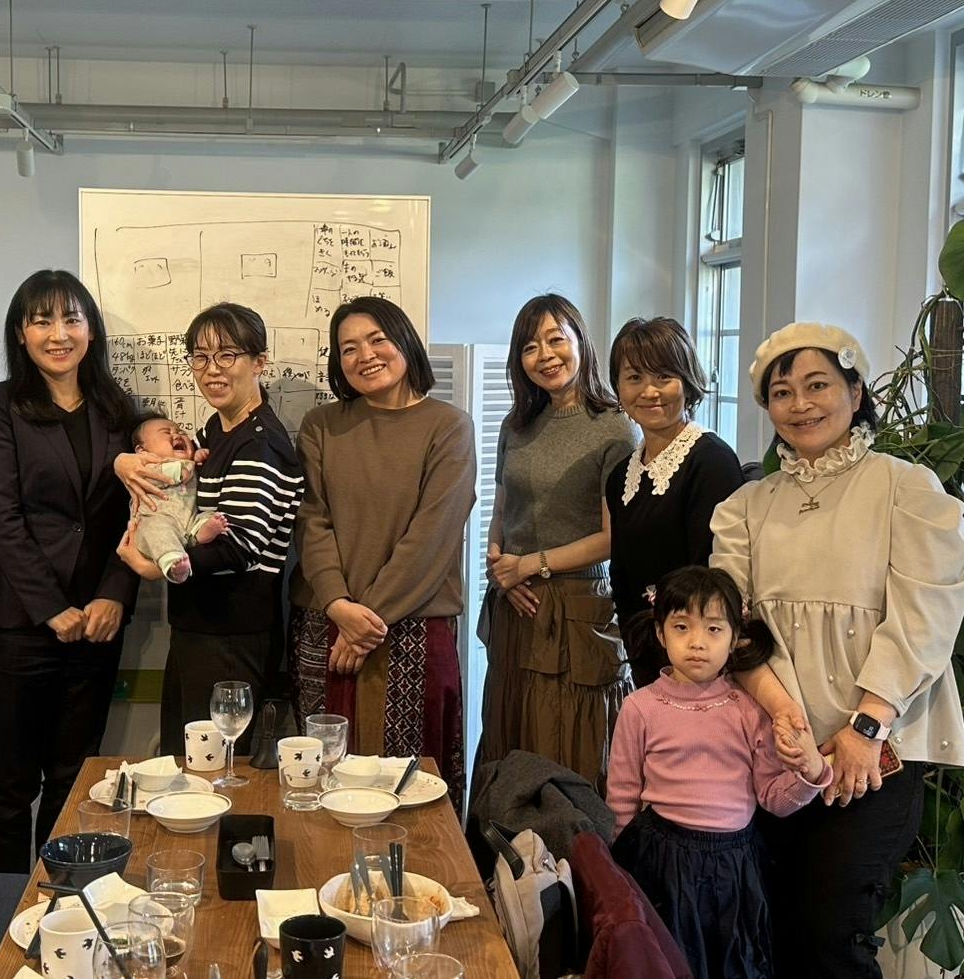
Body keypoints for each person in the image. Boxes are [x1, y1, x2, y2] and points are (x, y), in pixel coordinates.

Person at [710, 322, 964, 979]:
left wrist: (863, 728)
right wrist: (787, 721)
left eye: (817, 385)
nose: (800, 404)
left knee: (832, 936)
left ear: (855, 393)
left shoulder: (904, 488)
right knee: (771, 929)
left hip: (874, 750)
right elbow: (732, 625)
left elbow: (924, 614)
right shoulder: (745, 507)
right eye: (782, 392)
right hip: (775, 749)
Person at [0, 270, 140, 874]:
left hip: (97, 622)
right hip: (17, 624)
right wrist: (50, 607)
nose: (58, 334)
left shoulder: (118, 410)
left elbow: (139, 514)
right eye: (41, 321)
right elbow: (0, 515)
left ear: (91, 331)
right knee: (11, 780)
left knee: (74, 775)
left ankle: (58, 892)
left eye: (71, 319)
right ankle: (6, 900)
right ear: (21, 333)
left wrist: (115, 593)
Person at [290, 296, 476, 808]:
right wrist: (339, 607)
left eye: (377, 340)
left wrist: (365, 621)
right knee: (321, 786)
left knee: (411, 793)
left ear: (404, 343)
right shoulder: (321, 425)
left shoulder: (449, 426)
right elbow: (312, 520)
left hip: (414, 628)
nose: (365, 355)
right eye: (348, 348)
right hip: (325, 624)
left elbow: (433, 535)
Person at [607, 566, 831, 979]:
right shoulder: (639, 708)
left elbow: (774, 798)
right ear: (660, 633)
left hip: (736, 867)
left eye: (713, 629)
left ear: (734, 638)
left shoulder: (750, 709)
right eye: (681, 627)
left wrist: (811, 772)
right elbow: (621, 796)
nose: (697, 642)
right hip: (661, 862)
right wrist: (617, 873)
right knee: (668, 964)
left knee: (735, 964)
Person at [116, 303, 304, 756]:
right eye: (200, 357)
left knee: (218, 773)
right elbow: (164, 467)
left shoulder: (259, 442)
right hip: (201, 627)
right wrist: (122, 461)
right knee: (188, 765)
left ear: (259, 362)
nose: (212, 369)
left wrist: (155, 567)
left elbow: (240, 548)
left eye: (227, 355)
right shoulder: (215, 433)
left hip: (232, 634)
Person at [479, 293, 637, 786]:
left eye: (555, 340)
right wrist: (500, 568)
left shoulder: (614, 426)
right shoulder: (516, 424)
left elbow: (613, 539)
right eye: (530, 347)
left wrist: (530, 565)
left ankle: (572, 839)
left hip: (578, 609)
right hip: (516, 605)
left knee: (569, 743)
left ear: (580, 342)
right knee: (509, 732)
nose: (545, 356)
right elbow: (502, 510)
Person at [604, 317, 745, 687]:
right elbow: (621, 576)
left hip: (700, 663)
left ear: (687, 380)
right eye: (634, 377)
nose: (649, 391)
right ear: (618, 388)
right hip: (646, 659)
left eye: (663, 376)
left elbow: (712, 575)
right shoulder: (621, 476)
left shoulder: (710, 461)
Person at [128, 413, 229, 583]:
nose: (177, 435)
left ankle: (198, 535)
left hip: (189, 519)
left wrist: (197, 459)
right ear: (142, 451)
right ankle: (173, 564)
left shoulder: (188, 464)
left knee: (210, 516)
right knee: (157, 530)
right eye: (166, 432)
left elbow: (192, 472)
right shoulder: (144, 468)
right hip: (156, 520)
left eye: (181, 432)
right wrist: (184, 466)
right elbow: (163, 475)